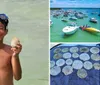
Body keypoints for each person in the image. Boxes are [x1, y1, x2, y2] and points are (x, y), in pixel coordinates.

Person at [0, 14, 22, 85]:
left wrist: (16, 56)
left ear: (6, 32)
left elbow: (17, 77)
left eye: (0, 28)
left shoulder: (11, 51)